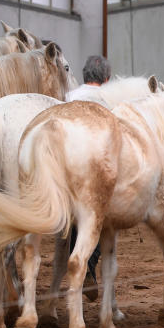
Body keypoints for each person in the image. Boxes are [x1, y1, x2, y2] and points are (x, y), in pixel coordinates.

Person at [65, 55, 112, 301]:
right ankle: (88, 266)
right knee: (99, 219)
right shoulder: (106, 101)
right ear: (106, 78)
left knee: (74, 220)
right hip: (94, 168)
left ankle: (77, 261)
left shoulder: (69, 96)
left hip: (67, 164)